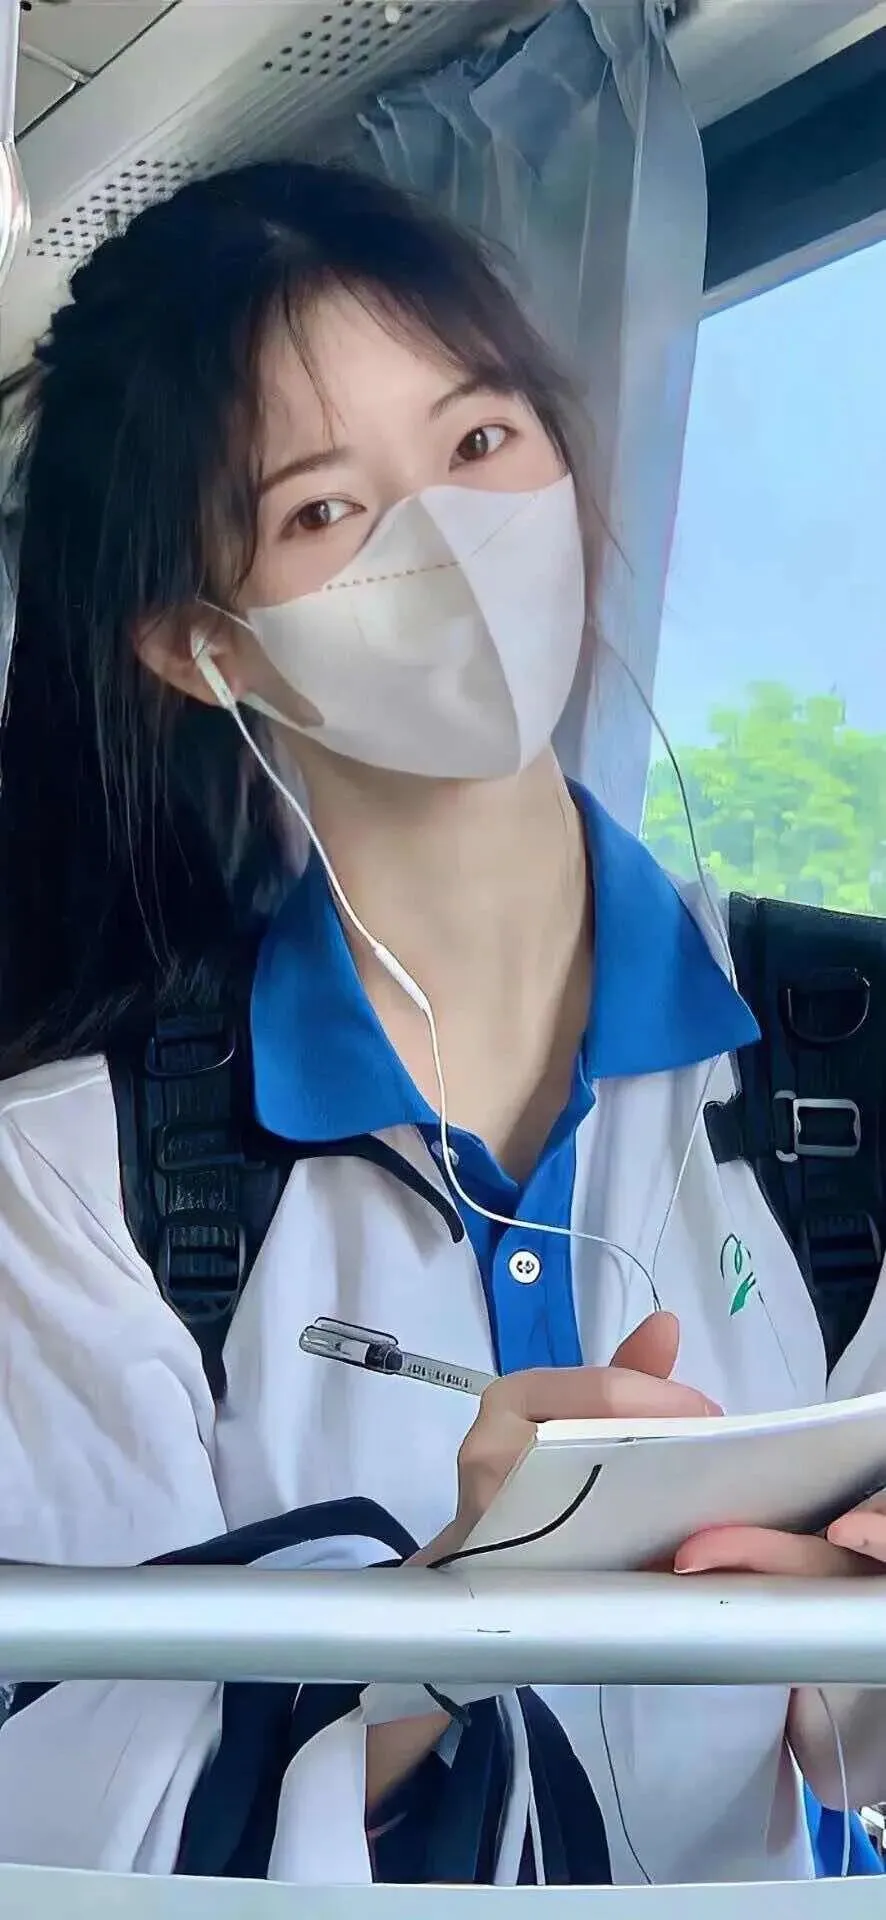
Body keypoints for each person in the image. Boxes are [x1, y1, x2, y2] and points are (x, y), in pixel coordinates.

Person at [0, 156, 883, 1887]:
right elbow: (68, 1817)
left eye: (479, 442)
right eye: (326, 512)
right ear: (204, 648)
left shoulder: (846, 1055)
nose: (453, 546)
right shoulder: (77, 1182)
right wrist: (457, 1615)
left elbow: (857, 1745)